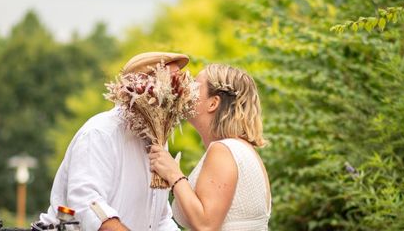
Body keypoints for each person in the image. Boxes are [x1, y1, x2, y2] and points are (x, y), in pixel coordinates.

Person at [37, 51, 189, 231]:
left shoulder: (158, 141)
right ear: (141, 86)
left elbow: (160, 218)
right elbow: (87, 204)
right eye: (172, 82)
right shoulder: (100, 133)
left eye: (181, 83)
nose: (180, 91)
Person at [149, 64, 271, 231]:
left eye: (195, 87)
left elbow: (206, 225)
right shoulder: (242, 149)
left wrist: (174, 174)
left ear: (213, 103)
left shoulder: (224, 150)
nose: (186, 91)